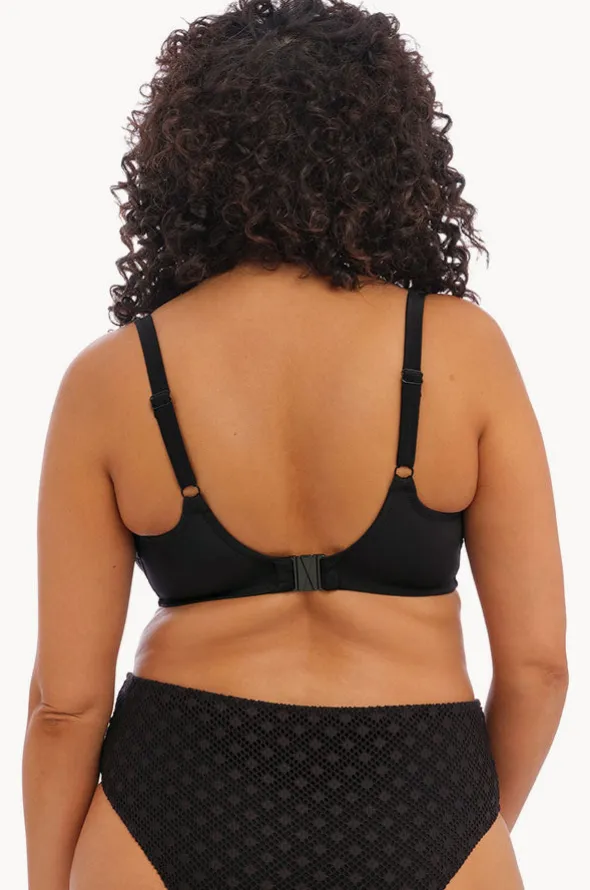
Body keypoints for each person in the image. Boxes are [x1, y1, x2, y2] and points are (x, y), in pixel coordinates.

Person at [22, 1, 569, 888]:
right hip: (418, 789)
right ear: (391, 153)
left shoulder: (114, 376)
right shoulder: (461, 350)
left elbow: (64, 706)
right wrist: (459, 821)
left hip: (177, 792)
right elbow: (540, 669)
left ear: (184, 166)